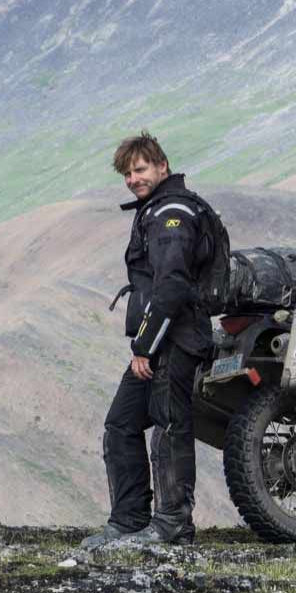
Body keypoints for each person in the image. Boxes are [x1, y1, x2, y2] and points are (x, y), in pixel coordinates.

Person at [80, 133, 212, 548]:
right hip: (159, 338)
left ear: (162, 167)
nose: (133, 179)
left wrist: (144, 346)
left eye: (139, 169)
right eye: (127, 172)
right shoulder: (155, 211)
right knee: (121, 422)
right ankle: (129, 520)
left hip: (177, 338)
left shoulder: (172, 214)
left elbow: (171, 286)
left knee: (169, 426)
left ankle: (172, 525)